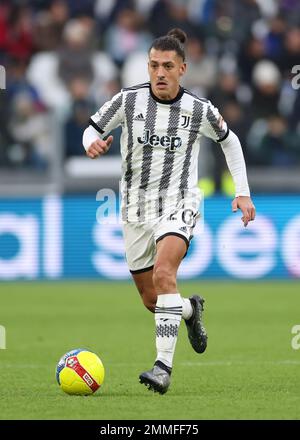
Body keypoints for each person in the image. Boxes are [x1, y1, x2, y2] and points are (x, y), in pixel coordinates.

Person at [82, 28, 256, 394]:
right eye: (153, 65)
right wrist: (92, 144)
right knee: (153, 300)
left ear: (182, 69)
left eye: (167, 66)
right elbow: (91, 128)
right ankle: (190, 311)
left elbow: (231, 142)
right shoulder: (128, 101)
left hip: (179, 202)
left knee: (165, 275)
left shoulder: (198, 109)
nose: (159, 73)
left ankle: (162, 367)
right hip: (134, 208)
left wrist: (243, 193)